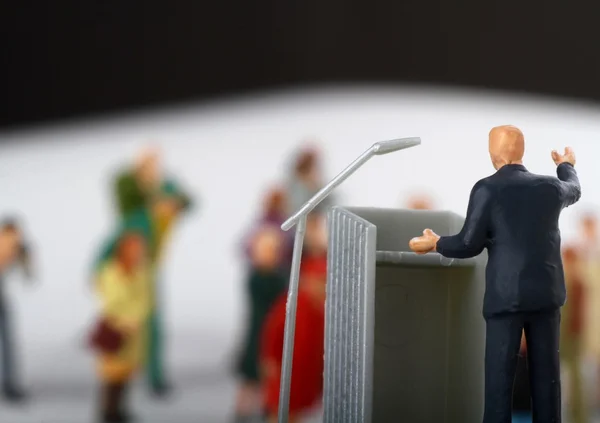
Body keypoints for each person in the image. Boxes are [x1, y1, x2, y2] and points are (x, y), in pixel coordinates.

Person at [409, 125, 581, 423]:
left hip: (506, 298)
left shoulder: (487, 188)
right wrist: (565, 164)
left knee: (499, 384)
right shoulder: (549, 187)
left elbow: (467, 243)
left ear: (493, 154)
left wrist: (436, 242)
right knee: (548, 382)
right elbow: (574, 189)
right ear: (521, 151)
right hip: (546, 296)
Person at [111, 147, 193, 396]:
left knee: (152, 324)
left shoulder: (161, 203)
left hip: (149, 269)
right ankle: (119, 378)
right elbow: (121, 188)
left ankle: (152, 376)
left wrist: (164, 189)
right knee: (123, 324)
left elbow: (188, 201)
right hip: (124, 272)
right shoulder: (135, 210)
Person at [261, 213, 327, 423]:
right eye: (316, 281)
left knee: (297, 409)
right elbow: (274, 329)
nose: (319, 287)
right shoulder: (293, 304)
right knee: (282, 407)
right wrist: (270, 358)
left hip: (307, 371)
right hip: (287, 369)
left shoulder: (322, 310)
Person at [91, 227, 151, 423]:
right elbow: (113, 301)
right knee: (111, 377)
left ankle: (120, 410)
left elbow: (146, 300)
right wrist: (126, 317)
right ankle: (108, 413)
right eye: (133, 248)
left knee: (126, 376)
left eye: (140, 249)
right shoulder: (110, 272)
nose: (137, 253)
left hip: (133, 332)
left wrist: (135, 316)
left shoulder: (141, 273)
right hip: (115, 330)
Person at [233, 226, 287, 422]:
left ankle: (265, 411)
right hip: (258, 334)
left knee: (267, 383)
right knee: (250, 381)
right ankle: (242, 414)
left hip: (272, 334)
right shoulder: (257, 278)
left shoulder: (278, 277)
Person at [0, 220, 32, 402]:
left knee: (8, 345)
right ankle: (9, 385)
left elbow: (28, 275)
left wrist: (23, 256)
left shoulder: (15, 247)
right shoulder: (6, 245)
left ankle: (9, 384)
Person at [561, 246, 589, 423]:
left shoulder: (576, 281)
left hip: (571, 336)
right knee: (571, 374)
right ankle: (574, 413)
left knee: (575, 374)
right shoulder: (568, 280)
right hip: (566, 335)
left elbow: (577, 315)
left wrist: (574, 332)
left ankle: (578, 416)